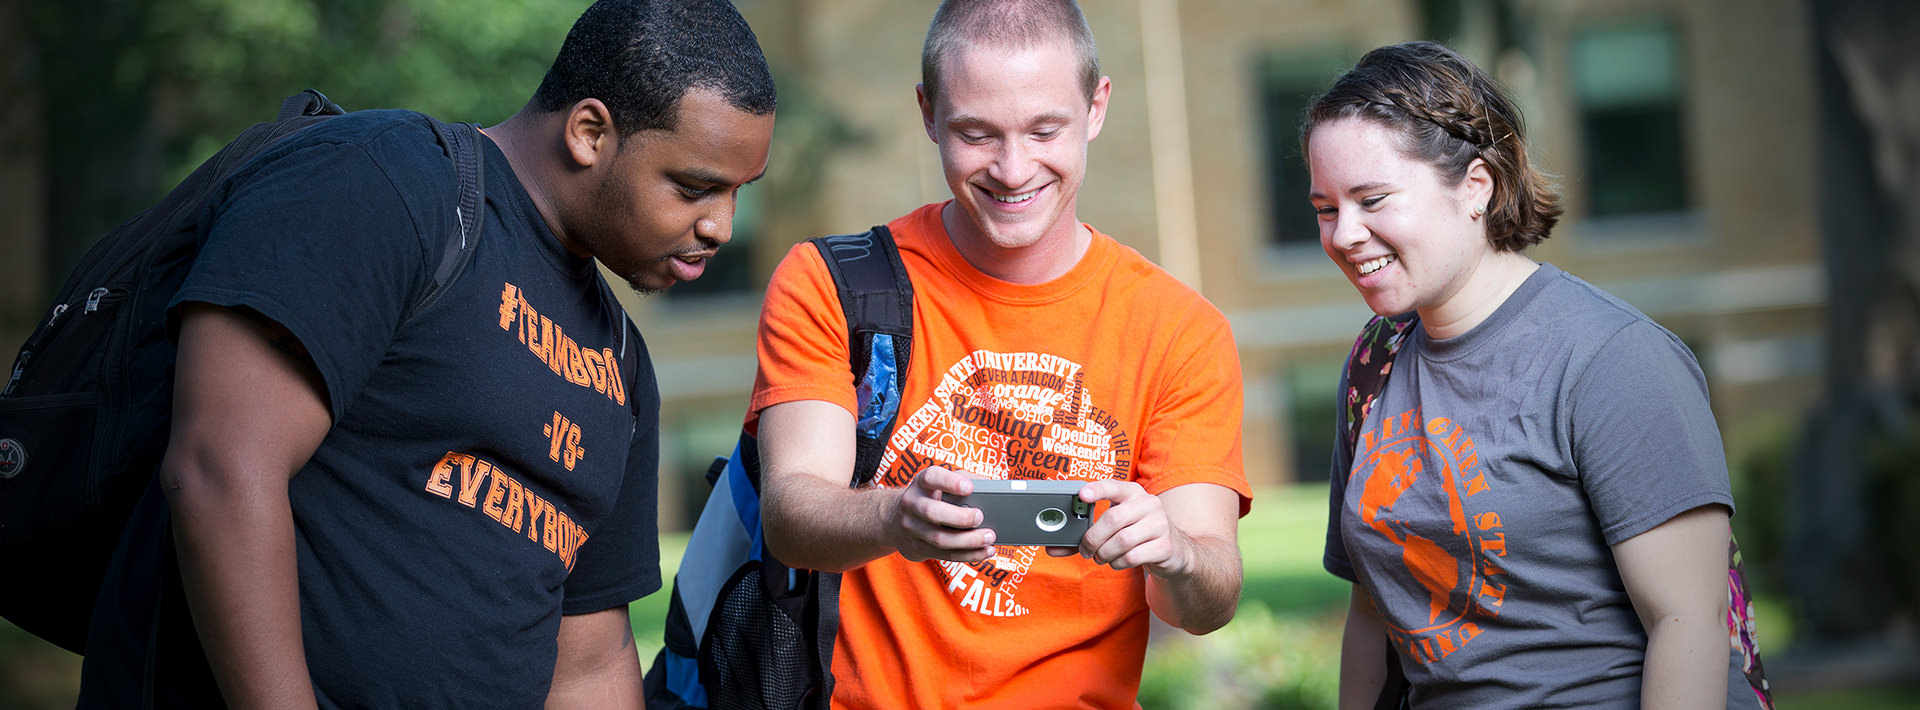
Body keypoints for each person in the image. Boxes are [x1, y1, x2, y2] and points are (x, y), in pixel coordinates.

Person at [75, 1, 775, 707]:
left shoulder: (622, 362)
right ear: (590, 132)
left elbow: (590, 659)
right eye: (694, 188)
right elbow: (219, 468)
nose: (720, 226)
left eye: (738, 193)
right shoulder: (387, 183)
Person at [748, 1, 1251, 707]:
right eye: (976, 134)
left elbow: (1207, 602)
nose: (1014, 171)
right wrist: (897, 517)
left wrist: (1172, 551)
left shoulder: (1179, 329)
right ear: (927, 113)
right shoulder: (829, 284)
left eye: (1046, 130)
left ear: (1096, 106)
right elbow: (792, 515)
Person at [1305, 41, 1763, 708]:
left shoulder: (1613, 359)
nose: (1345, 234)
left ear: (1476, 187)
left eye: (1372, 199)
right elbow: (1373, 612)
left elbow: (1687, 622)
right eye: (1325, 208)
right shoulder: (1376, 361)